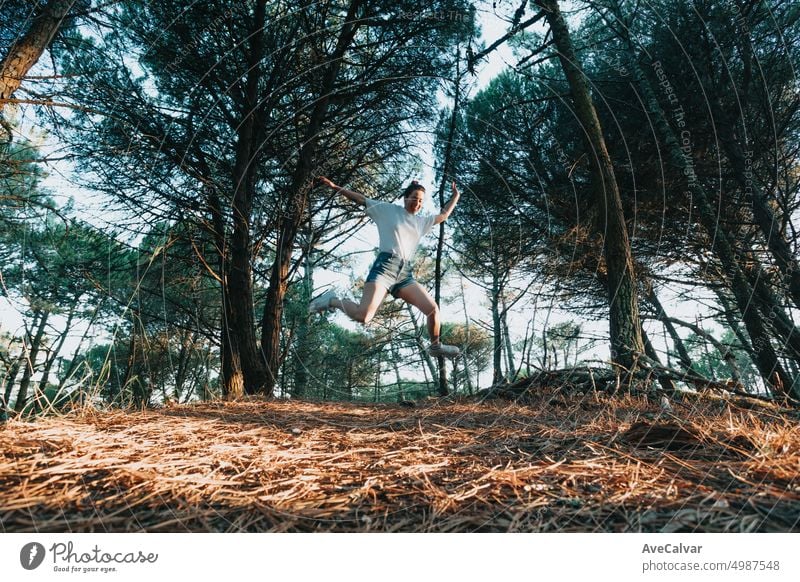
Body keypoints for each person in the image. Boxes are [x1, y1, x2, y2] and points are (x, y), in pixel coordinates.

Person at [310, 176, 461, 359]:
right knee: (363, 316)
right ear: (405, 198)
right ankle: (331, 300)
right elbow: (360, 199)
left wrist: (456, 197)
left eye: (421, 200)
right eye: (414, 198)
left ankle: (435, 346)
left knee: (432, 309)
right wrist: (334, 186)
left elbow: (444, 215)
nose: (417, 203)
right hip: (385, 267)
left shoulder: (421, 222)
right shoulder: (387, 210)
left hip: (405, 274)